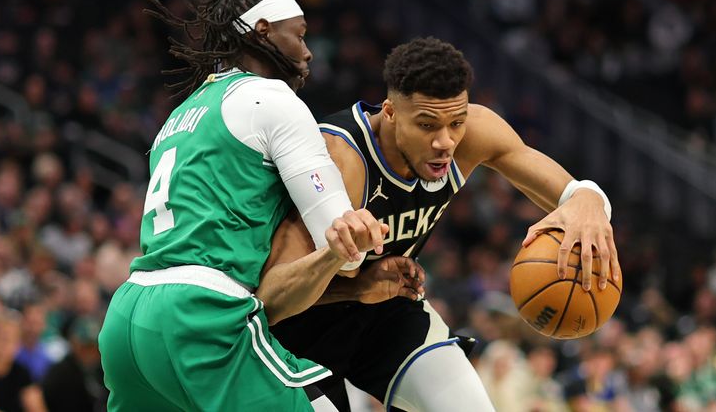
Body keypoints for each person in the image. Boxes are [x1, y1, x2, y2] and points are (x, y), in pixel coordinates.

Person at [97, 0, 386, 412]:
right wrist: (359, 245)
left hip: (129, 316)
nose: (309, 51)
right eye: (299, 35)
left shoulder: (181, 113)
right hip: (200, 314)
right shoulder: (271, 98)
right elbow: (339, 237)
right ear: (263, 30)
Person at [262, 37, 621, 411]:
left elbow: (565, 190)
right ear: (390, 113)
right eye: (427, 125)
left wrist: (589, 201)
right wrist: (356, 288)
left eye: (456, 122)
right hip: (298, 330)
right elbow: (270, 298)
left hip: (387, 312)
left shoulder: (473, 133)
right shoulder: (341, 160)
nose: (445, 142)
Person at [42, 317, 106, 412]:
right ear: (74, 343)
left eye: (95, 347)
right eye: (86, 347)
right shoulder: (60, 374)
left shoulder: (102, 370)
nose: (91, 353)